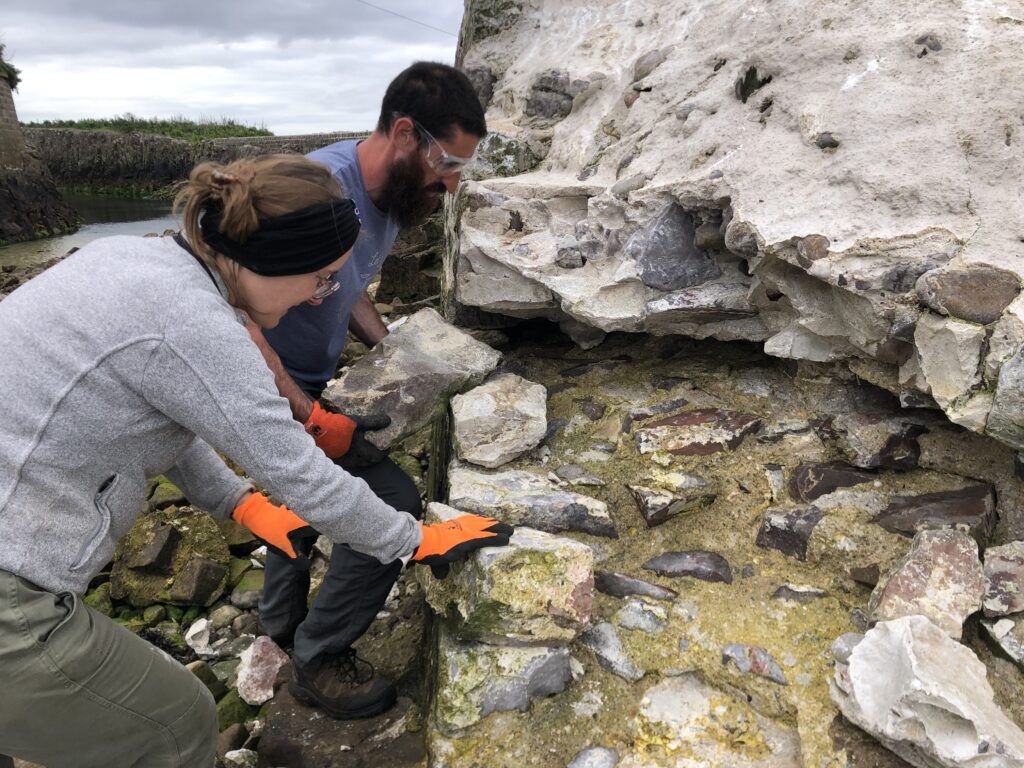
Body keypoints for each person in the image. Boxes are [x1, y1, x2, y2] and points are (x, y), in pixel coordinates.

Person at [0, 154, 511, 768]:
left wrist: (238, 503)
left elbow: (158, 415)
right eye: (321, 278)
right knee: (175, 722)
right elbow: (297, 471)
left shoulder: (132, 259)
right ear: (271, 262)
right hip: (12, 585)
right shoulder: (193, 323)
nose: (321, 296)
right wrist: (413, 539)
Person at [251, 61, 488, 719]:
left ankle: (279, 626)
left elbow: (347, 288)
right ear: (405, 132)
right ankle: (317, 657)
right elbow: (234, 312)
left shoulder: (391, 202)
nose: (452, 180)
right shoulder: (319, 192)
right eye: (446, 161)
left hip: (304, 380)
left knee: (296, 498)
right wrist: (303, 410)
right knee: (393, 501)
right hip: (266, 381)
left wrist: (394, 354)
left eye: (461, 167)